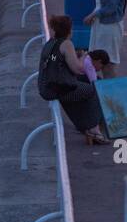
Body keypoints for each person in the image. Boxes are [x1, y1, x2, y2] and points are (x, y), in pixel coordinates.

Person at [38, 15, 108, 144]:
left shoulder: (51, 43)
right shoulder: (66, 43)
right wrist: (84, 56)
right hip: (59, 87)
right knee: (94, 89)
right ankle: (94, 128)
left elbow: (56, 61)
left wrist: (75, 56)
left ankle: (86, 126)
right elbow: (78, 69)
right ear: (68, 30)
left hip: (47, 85)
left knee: (88, 83)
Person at [85, 0, 127, 75]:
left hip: (109, 28)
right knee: (98, 60)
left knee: (108, 62)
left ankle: (111, 90)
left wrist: (93, 15)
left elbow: (111, 7)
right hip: (100, 26)